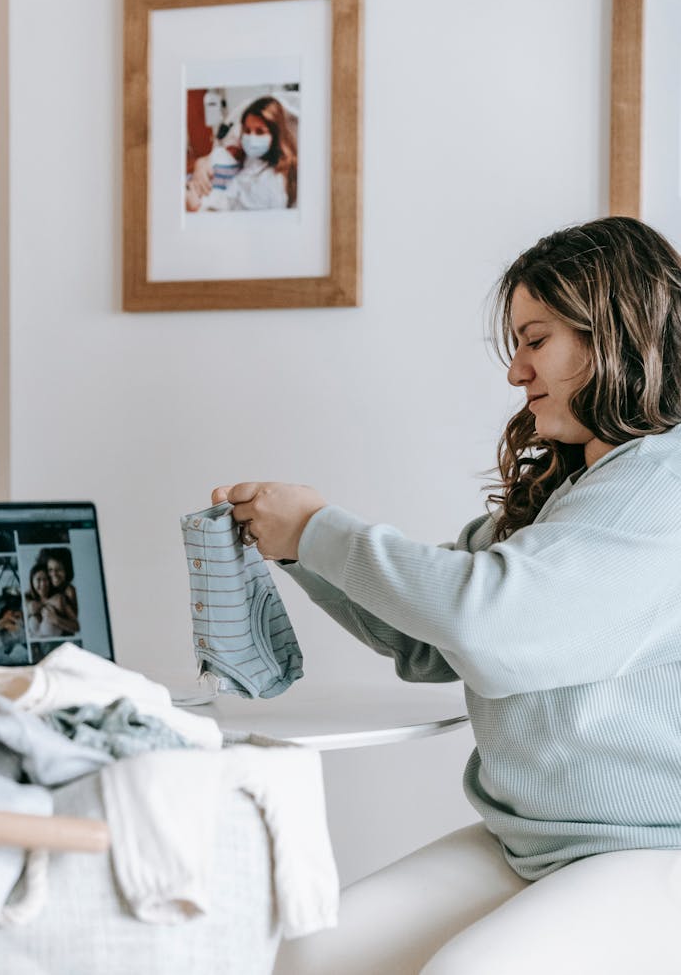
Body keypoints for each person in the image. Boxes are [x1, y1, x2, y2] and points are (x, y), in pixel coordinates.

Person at [212, 216, 681, 974]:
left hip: (652, 845)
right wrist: (298, 545)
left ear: (613, 336)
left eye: (536, 340)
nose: (516, 371)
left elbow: (489, 621)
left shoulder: (663, 485)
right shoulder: (579, 485)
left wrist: (321, 528)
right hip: (535, 839)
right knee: (312, 955)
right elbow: (430, 638)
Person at [186, 95, 298, 212]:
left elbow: (237, 221)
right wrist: (202, 163)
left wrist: (198, 207)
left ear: (276, 135)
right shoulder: (254, 157)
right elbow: (225, 152)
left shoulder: (271, 184)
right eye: (247, 130)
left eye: (260, 132)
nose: (251, 138)